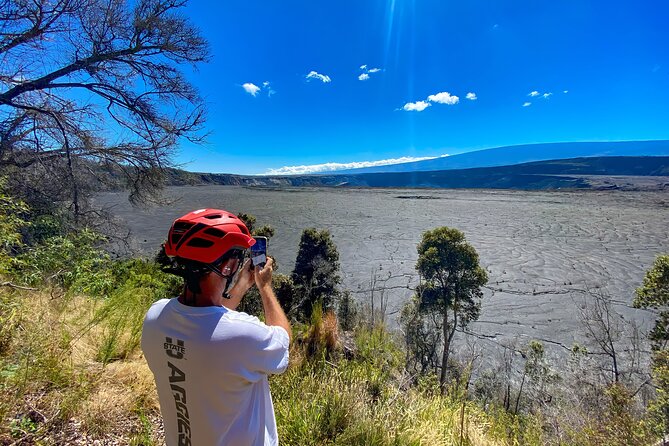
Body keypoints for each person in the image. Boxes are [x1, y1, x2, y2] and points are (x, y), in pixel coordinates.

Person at [141, 208, 291, 446]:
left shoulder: (155, 318)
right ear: (228, 265)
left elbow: (210, 322)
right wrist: (265, 287)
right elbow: (283, 341)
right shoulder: (242, 335)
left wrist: (241, 285)